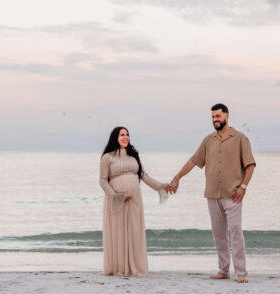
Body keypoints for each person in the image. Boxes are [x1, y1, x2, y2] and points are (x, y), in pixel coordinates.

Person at [167, 103, 256, 283]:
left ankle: (241, 273)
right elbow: (194, 161)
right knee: (219, 234)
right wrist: (177, 177)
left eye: (218, 116)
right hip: (212, 194)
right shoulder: (208, 140)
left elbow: (250, 165)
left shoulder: (240, 138)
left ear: (227, 116)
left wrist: (243, 187)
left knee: (236, 232)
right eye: (213, 117)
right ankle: (223, 270)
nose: (215, 120)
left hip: (233, 194)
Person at [99, 126, 168, 277]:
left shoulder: (133, 155)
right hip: (117, 200)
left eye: (127, 134)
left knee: (134, 231)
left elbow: (144, 175)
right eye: (122, 134)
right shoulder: (107, 157)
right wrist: (116, 196)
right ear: (115, 137)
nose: (126, 137)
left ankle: (133, 267)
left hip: (135, 200)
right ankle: (119, 267)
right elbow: (103, 181)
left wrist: (161, 186)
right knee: (118, 232)